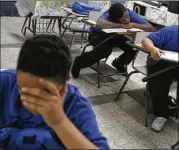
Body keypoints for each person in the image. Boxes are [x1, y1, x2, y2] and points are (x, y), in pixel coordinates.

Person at [0, 35, 109, 149]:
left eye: (44, 93)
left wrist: (60, 122)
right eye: (22, 89)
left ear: (65, 82)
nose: (29, 101)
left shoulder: (75, 105)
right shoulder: (5, 82)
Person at [71, 3, 155, 78]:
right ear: (115, 18)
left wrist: (134, 24)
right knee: (105, 51)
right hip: (97, 35)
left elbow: (151, 28)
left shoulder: (129, 12)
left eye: (127, 16)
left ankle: (119, 63)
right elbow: (99, 23)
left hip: (116, 36)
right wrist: (121, 25)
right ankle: (79, 62)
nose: (127, 20)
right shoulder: (109, 14)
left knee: (133, 47)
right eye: (123, 19)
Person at [142, 25, 179, 132]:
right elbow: (146, 40)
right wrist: (152, 48)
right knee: (159, 81)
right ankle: (161, 114)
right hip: (160, 61)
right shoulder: (171, 31)